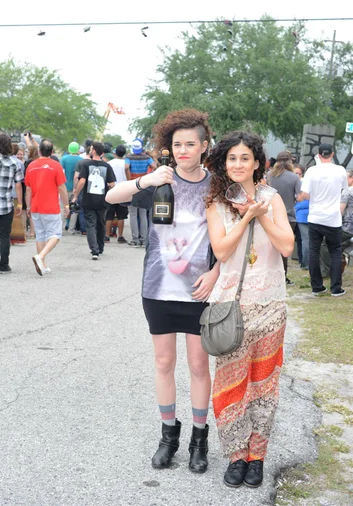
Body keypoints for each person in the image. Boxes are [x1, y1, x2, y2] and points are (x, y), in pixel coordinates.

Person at [106, 109, 221, 474]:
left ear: (205, 146)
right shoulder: (160, 180)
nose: (184, 150)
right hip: (157, 288)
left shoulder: (218, 186)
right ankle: (168, 437)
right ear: (168, 148)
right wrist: (146, 181)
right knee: (163, 363)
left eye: (191, 144)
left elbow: (234, 237)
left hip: (199, 290)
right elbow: (111, 197)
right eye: (177, 144)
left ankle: (199, 440)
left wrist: (217, 272)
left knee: (199, 364)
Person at [205, 131, 294, 489]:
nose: (238, 164)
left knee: (264, 385)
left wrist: (261, 215)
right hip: (231, 308)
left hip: (271, 304)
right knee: (230, 384)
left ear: (258, 162)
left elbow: (287, 246)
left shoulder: (272, 199)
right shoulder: (216, 203)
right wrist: (244, 217)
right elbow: (222, 252)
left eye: (245, 158)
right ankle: (235, 455)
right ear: (224, 164)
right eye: (232, 159)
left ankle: (257, 456)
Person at [298, 143, 348, 297]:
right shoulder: (340, 170)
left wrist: (315, 197)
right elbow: (344, 189)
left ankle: (317, 286)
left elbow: (304, 194)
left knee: (314, 251)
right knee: (335, 251)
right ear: (332, 154)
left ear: (318, 155)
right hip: (333, 218)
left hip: (315, 217)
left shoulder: (312, 171)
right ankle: (335, 288)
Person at [25, 139, 69, 276]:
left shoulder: (31, 166)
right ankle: (41, 257)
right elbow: (61, 187)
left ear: (39, 151)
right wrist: (66, 205)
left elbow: (28, 189)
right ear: (51, 152)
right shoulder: (56, 166)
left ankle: (42, 265)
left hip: (36, 206)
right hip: (51, 206)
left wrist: (28, 206)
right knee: (55, 234)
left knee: (41, 235)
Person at [71, 141, 115, 259]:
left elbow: (82, 181)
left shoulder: (86, 165)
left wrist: (75, 195)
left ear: (94, 151)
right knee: (101, 224)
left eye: (91, 149)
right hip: (103, 200)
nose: (90, 151)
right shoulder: (107, 166)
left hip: (88, 199)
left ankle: (94, 250)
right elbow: (112, 184)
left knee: (90, 225)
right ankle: (100, 248)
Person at [267, 151, 301, 285]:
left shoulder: (270, 176)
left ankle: (268, 274)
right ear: (290, 162)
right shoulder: (294, 177)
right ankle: (282, 277)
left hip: (270, 216)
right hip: (289, 217)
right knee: (284, 249)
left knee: (270, 247)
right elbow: (299, 196)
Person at [125, 138, 157, 247]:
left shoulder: (129, 157)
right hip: (143, 185)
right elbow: (154, 167)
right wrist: (147, 177)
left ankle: (135, 239)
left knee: (133, 214)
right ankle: (144, 239)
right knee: (143, 214)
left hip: (133, 185)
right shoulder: (147, 158)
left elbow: (126, 167)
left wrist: (130, 179)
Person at [0, 133, 23, 273]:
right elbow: (18, 186)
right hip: (6, 204)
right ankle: (3, 265)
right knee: (4, 235)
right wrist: (19, 204)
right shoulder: (16, 163)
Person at [105, 145, 130, 244]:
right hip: (123, 191)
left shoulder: (109, 163)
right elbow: (128, 178)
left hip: (111, 190)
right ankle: (120, 236)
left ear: (115, 153)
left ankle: (107, 236)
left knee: (109, 215)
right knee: (121, 216)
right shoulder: (125, 164)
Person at [60, 141, 82, 233]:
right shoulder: (81, 159)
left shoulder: (64, 159)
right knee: (74, 208)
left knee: (62, 207)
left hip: (64, 186)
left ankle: (60, 228)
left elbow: (61, 172)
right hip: (76, 187)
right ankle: (71, 229)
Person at [294, 164, 309, 270]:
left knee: (304, 240)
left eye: (299, 173)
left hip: (301, 215)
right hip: (299, 215)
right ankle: (302, 260)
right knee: (301, 240)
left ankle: (305, 263)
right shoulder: (296, 184)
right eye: (296, 173)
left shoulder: (303, 185)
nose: (297, 175)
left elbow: (304, 202)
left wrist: (296, 207)